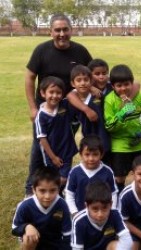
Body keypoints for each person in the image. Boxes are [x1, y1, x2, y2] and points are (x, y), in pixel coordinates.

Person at [25, 13, 96, 196]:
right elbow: (29, 77)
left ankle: (59, 186)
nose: (62, 34)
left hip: (68, 112)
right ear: (50, 31)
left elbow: (93, 73)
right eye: (57, 30)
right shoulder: (41, 50)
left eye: (65, 29)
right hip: (46, 110)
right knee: (39, 147)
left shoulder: (80, 51)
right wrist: (33, 107)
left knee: (64, 145)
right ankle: (30, 189)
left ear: (71, 30)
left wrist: (95, 88)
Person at [104, 64, 141, 193]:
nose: (123, 88)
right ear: (113, 86)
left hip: (139, 146)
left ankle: (138, 201)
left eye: (126, 84)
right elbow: (109, 126)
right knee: (119, 178)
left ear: (132, 83)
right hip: (120, 146)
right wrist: (122, 113)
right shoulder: (109, 100)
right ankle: (120, 202)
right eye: (119, 86)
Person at [12, 167, 71, 250]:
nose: (47, 196)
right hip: (34, 244)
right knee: (27, 238)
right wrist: (26, 226)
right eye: (42, 191)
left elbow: (67, 234)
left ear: (58, 190)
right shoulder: (25, 206)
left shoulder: (62, 205)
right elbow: (15, 228)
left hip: (55, 245)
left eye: (52, 190)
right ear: (34, 190)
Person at [35, 76, 78, 189]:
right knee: (53, 178)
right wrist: (53, 157)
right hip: (51, 153)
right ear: (43, 93)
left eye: (58, 92)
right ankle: (56, 195)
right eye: (51, 92)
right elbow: (42, 139)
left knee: (64, 178)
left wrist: (93, 89)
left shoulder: (64, 105)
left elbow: (77, 89)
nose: (55, 96)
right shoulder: (41, 116)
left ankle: (61, 194)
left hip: (67, 150)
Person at [71, 180, 133, 250]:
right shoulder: (79, 221)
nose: (100, 214)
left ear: (111, 204)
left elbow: (127, 240)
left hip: (108, 248)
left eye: (104, 208)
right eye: (95, 209)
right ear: (87, 206)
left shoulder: (115, 214)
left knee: (115, 245)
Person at [65, 135, 118, 216]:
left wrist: (111, 211)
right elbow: (69, 194)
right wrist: (74, 212)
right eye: (87, 154)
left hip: (101, 215)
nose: (91, 158)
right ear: (81, 154)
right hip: (80, 215)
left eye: (95, 154)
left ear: (101, 154)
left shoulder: (107, 172)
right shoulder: (75, 172)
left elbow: (113, 193)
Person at [70, 64, 111, 165]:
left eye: (86, 80)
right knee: (91, 165)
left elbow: (136, 84)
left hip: (105, 139)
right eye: (79, 80)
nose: (83, 83)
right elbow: (69, 95)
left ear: (91, 81)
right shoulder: (72, 100)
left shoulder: (98, 95)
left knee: (106, 167)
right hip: (88, 140)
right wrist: (87, 110)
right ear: (72, 83)